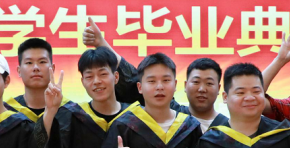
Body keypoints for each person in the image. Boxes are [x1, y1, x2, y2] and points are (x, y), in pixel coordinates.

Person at [81, 19, 228, 127]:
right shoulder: (173, 113)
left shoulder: (227, 126)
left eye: (209, 83)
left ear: (219, 89)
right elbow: (132, 77)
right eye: (196, 82)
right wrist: (101, 43)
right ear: (183, 85)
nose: (201, 89)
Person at [6, 38, 70, 120]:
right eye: (29, 63)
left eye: (42, 62)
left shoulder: (69, 112)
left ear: (53, 68)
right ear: (19, 71)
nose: (36, 68)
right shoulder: (7, 112)